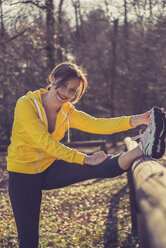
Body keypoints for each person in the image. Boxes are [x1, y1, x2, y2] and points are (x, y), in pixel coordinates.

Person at [7, 62, 166, 248]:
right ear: (52, 78)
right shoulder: (26, 104)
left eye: (72, 90)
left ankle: (142, 148)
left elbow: (98, 124)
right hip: (23, 175)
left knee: (103, 167)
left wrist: (138, 119)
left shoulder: (67, 112)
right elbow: (46, 143)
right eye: (63, 85)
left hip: (49, 168)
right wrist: (85, 158)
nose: (66, 93)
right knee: (28, 240)